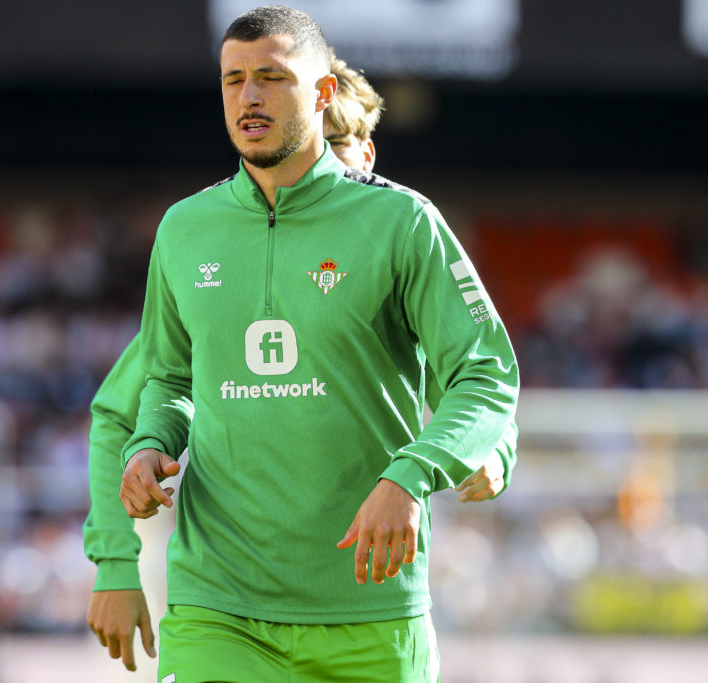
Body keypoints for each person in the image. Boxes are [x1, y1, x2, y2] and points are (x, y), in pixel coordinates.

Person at [89, 6, 519, 679]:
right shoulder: (184, 229)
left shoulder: (403, 222)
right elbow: (167, 380)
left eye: (271, 77)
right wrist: (150, 446)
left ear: (322, 94)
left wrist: (413, 472)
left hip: (369, 611)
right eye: (233, 80)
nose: (249, 97)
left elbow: (485, 373)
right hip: (218, 605)